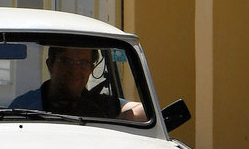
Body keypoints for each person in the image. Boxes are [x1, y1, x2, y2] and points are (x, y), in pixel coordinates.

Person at [9, 46, 146, 121]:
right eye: (66, 61)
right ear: (50, 64)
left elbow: (143, 110)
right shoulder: (24, 105)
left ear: (91, 69)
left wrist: (121, 120)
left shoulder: (100, 105)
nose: (74, 70)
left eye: (82, 63)